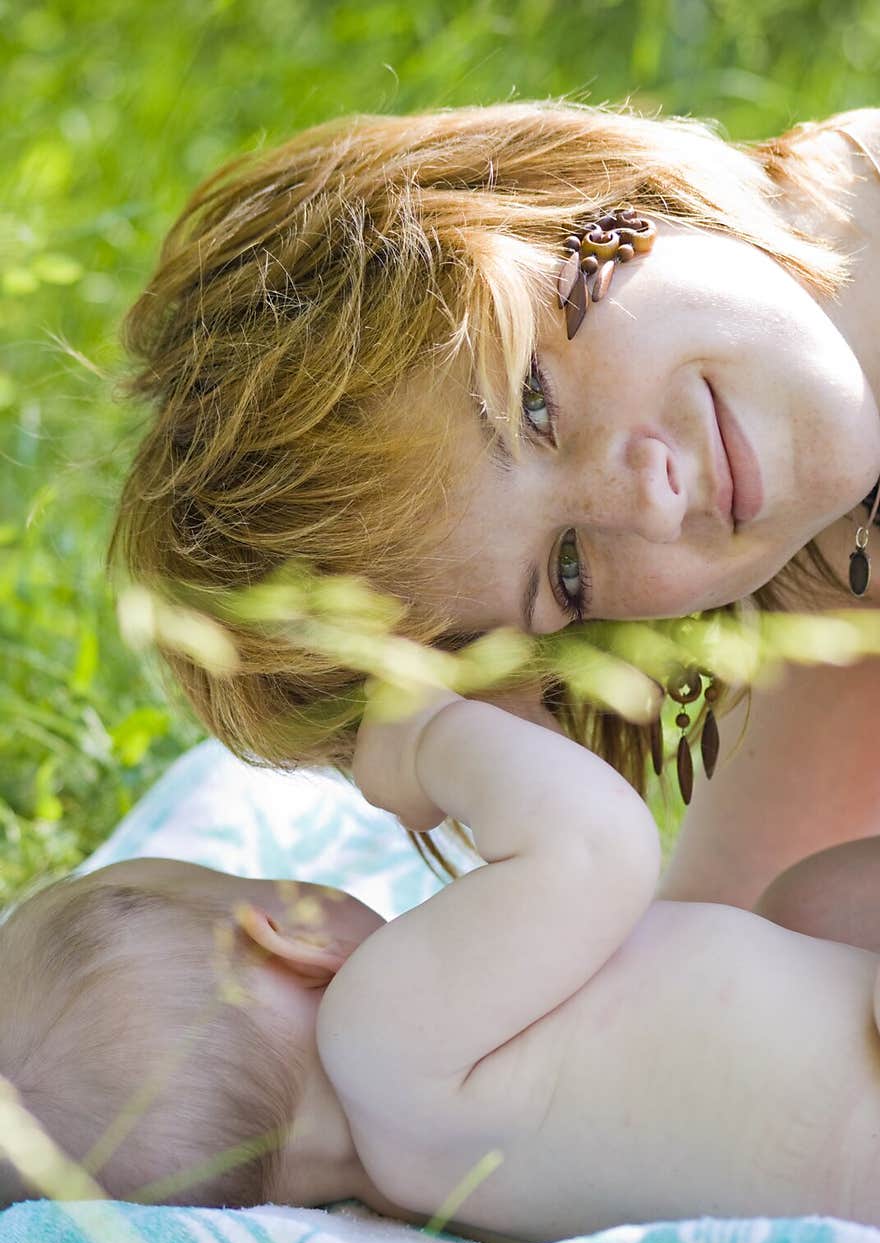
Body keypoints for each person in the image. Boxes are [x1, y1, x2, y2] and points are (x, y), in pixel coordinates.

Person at [111, 98, 880, 909]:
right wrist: (469, 750)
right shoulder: (831, 561)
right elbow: (711, 949)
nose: (650, 503)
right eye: (571, 571)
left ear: (570, 193)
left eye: (534, 403)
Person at [3, 689, 879, 1243]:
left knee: (810, 905)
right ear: (289, 938)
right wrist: (427, 737)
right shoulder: (374, 1028)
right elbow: (595, 843)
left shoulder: (419, 1192)